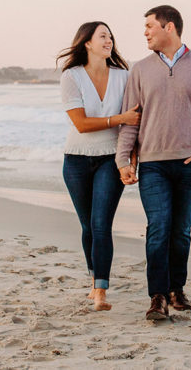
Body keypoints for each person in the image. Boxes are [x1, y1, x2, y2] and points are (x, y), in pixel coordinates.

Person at [116, 5, 191, 320]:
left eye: (150, 26)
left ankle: (177, 289)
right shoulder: (140, 69)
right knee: (159, 228)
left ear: (170, 28)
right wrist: (123, 158)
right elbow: (131, 120)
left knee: (181, 231)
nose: (146, 33)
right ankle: (158, 297)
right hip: (153, 164)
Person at [57, 21, 141, 311]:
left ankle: (101, 290)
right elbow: (80, 124)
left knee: (101, 224)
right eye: (102, 36)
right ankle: (94, 279)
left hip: (110, 159)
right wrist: (119, 119)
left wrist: (131, 159)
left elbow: (135, 123)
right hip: (76, 160)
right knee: (87, 226)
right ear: (87, 43)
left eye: (111, 36)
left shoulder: (125, 77)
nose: (109, 40)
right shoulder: (72, 76)